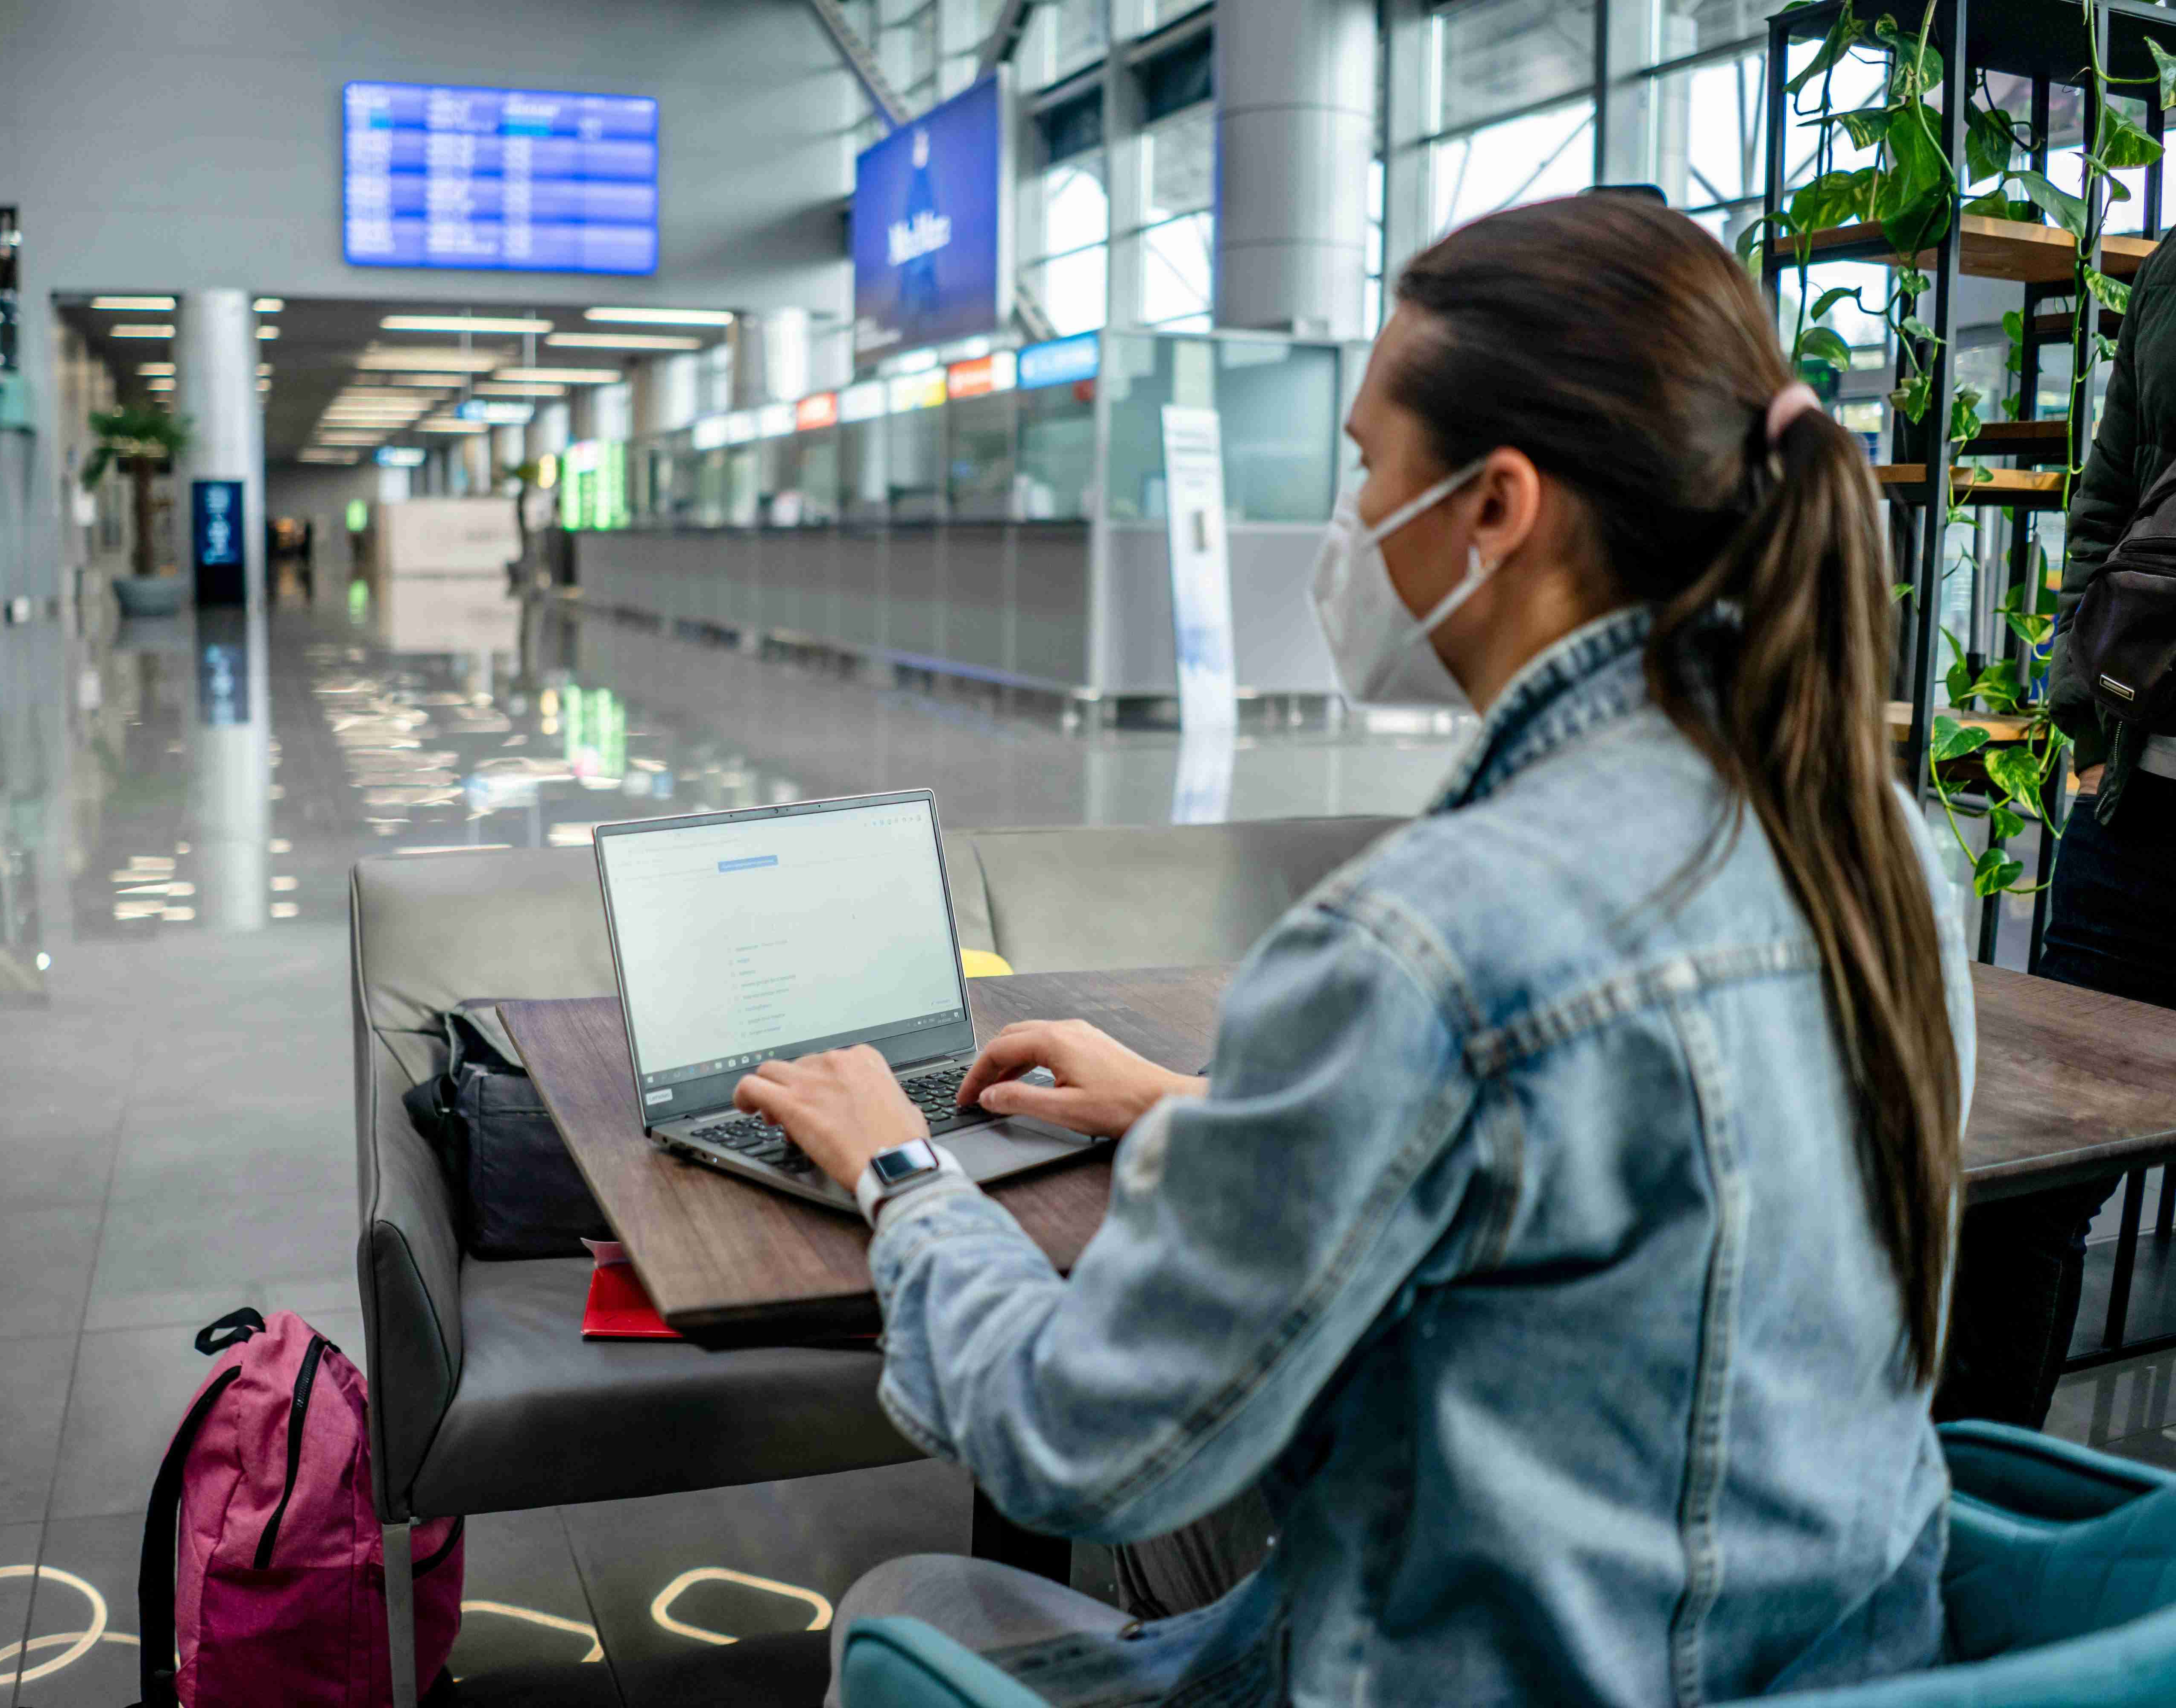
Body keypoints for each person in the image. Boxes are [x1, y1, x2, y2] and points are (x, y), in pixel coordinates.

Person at [735, 196, 1975, 1708]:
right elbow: (1597, 1212)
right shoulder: (1887, 854)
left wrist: (901, 1174)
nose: (1352, 516)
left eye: (1366, 467)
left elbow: (1075, 1443)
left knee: (912, 1597)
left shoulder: (1428, 942)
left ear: (1498, 507)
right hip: (1839, 1672)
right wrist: (1192, 1107)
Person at [1935, 233, 2176, 1427]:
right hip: (2144, 811)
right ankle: (1983, 1532)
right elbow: (2112, 491)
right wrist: (2086, 713)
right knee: (2032, 1191)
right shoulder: (2175, 264)